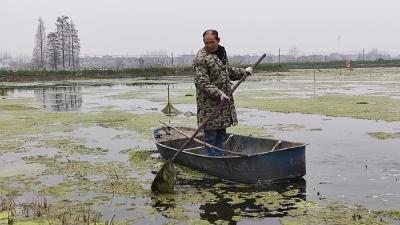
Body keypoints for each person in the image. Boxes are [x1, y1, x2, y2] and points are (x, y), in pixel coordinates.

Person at [193, 29, 252, 156]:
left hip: (224, 103)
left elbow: (227, 71)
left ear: (218, 40)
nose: (209, 45)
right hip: (209, 105)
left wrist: (243, 72)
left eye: (212, 42)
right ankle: (212, 160)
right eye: (206, 42)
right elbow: (202, 82)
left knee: (221, 135)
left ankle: (219, 158)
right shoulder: (201, 58)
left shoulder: (222, 53)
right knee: (210, 136)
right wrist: (219, 93)